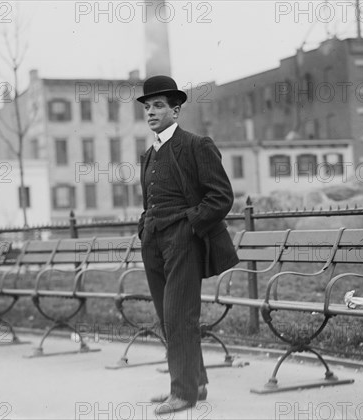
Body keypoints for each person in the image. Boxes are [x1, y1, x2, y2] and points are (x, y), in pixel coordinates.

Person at [136, 75, 239, 414]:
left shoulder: (196, 145)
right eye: (148, 106)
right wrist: (144, 226)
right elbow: (150, 198)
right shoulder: (148, 154)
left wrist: (190, 225)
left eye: (159, 106)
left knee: (180, 316)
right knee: (167, 317)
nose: (151, 112)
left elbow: (221, 196)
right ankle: (196, 382)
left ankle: (183, 394)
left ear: (176, 110)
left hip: (182, 240)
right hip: (153, 239)